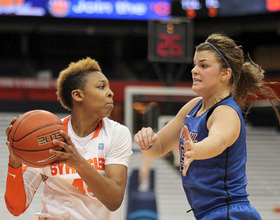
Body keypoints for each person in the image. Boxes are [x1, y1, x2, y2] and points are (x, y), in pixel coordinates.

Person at [134, 33, 280, 220]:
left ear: (225, 74)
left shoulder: (225, 112)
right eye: (195, 64)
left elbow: (218, 141)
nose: (194, 70)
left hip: (229, 212)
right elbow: (159, 147)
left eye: (203, 65)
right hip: (210, 213)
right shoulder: (192, 106)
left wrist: (197, 149)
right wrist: (147, 142)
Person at [5, 57, 133, 220]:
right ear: (78, 95)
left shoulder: (117, 133)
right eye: (101, 87)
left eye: (108, 87)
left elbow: (114, 200)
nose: (110, 92)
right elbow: (16, 208)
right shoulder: (48, 137)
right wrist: (15, 163)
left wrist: (78, 162)